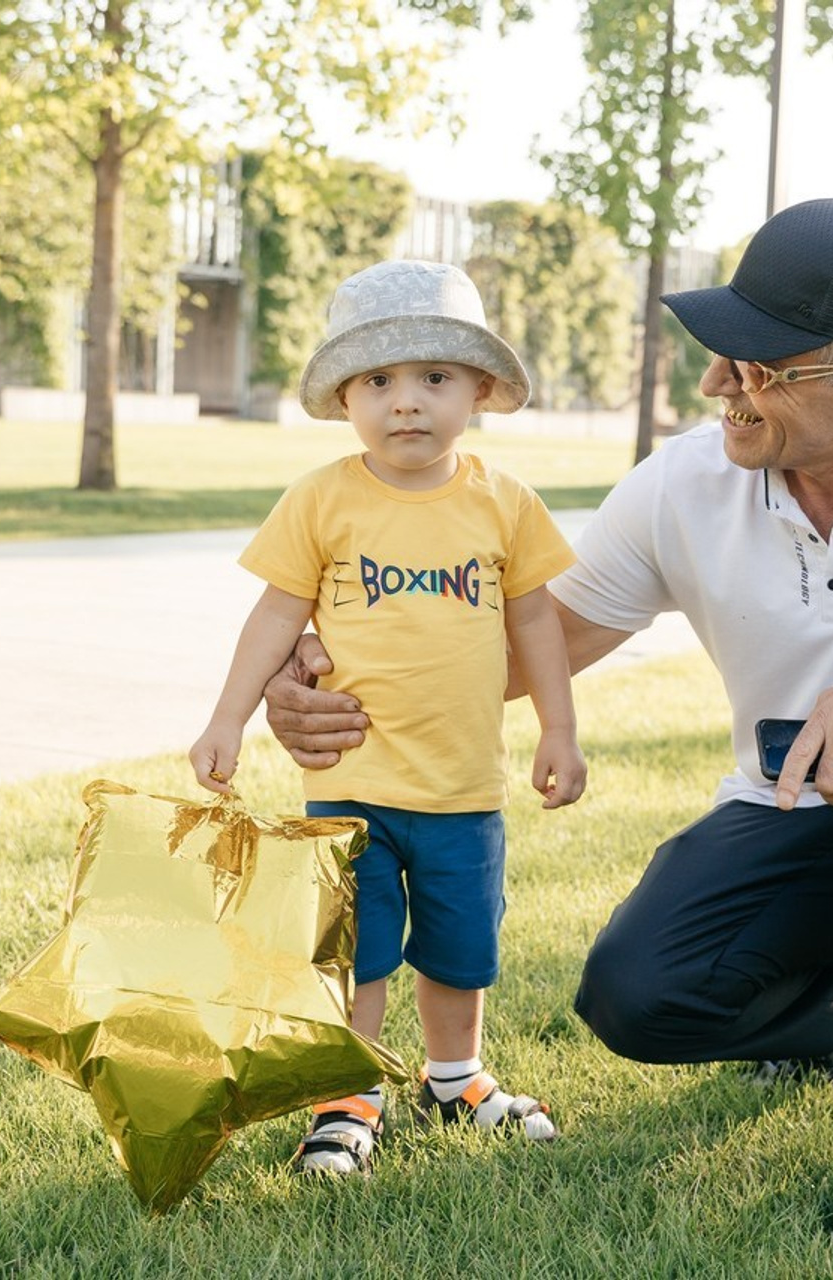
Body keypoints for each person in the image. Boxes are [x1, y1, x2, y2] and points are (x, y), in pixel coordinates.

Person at [263, 198, 833, 1265]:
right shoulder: (686, 480)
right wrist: (325, 674)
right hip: (796, 809)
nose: (719, 383)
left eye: (760, 366)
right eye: (720, 353)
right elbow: (528, 642)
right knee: (635, 995)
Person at [190, 259, 587, 1176]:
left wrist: (559, 731)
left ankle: (455, 1078)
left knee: (460, 947)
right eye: (379, 382)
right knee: (359, 953)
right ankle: (348, 1096)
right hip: (352, 784)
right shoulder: (324, 498)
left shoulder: (504, 502)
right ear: (344, 396)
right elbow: (275, 617)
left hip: (462, 785)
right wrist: (227, 719)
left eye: (434, 379)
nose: (406, 404)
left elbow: (535, 622)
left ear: (480, 389)